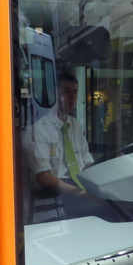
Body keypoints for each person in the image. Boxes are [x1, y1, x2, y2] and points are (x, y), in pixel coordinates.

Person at [27, 72, 113, 220]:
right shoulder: (39, 129)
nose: (71, 97)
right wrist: (80, 193)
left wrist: (102, 184)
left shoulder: (75, 125)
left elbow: (87, 162)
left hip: (79, 183)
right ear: (54, 94)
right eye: (65, 91)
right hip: (56, 191)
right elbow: (43, 177)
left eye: (75, 92)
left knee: (114, 204)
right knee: (105, 212)